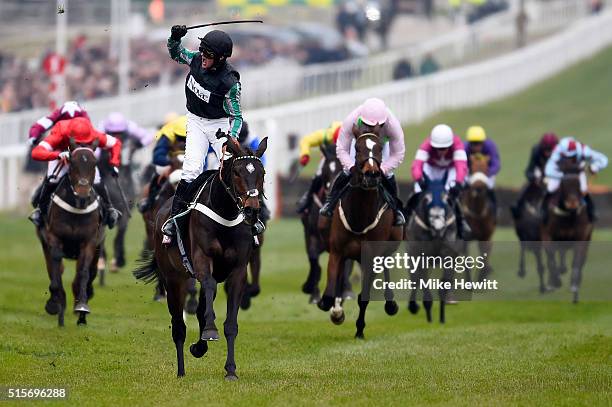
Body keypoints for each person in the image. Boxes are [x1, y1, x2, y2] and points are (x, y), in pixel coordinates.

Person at [162, 24, 249, 242]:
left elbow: (237, 117)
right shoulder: (196, 59)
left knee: (236, 167)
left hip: (218, 125)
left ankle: (254, 218)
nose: (202, 56)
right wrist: (174, 37)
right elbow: (176, 52)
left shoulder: (230, 83)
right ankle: (175, 220)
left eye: (208, 54)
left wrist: (232, 138)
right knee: (191, 170)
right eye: (202, 49)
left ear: (221, 58)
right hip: (196, 122)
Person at [319, 98, 406, 226]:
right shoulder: (352, 120)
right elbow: (342, 148)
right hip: (360, 141)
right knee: (346, 171)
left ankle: (396, 210)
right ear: (361, 119)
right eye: (368, 126)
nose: (372, 129)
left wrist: (384, 168)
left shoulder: (392, 124)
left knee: (388, 175)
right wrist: (351, 166)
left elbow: (398, 153)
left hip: (382, 144)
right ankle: (330, 203)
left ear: (383, 122)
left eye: (376, 126)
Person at [29, 117, 122, 228]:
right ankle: (40, 210)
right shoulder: (60, 132)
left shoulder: (94, 134)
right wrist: (57, 155)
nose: (81, 145)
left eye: (86, 143)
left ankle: (109, 209)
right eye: (78, 143)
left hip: (83, 160)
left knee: (97, 180)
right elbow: (36, 153)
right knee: (54, 178)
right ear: (70, 137)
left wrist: (114, 163)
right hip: (61, 156)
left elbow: (116, 143)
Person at [406, 124, 471, 238]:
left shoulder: (457, 145)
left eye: (444, 148)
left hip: (450, 169)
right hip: (431, 168)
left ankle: (461, 223)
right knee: (417, 189)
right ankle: (407, 217)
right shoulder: (426, 145)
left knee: (450, 194)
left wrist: (458, 182)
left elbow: (461, 167)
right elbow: (416, 165)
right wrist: (419, 178)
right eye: (438, 148)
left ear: (450, 144)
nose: (441, 151)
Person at [542, 137, 608, 223]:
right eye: (566, 156)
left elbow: (603, 159)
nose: (569, 159)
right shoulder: (557, 150)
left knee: (584, 189)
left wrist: (595, 167)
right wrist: (563, 176)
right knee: (551, 188)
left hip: (578, 172)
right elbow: (548, 170)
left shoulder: (585, 150)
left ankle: (591, 212)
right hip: (561, 172)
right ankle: (543, 211)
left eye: (572, 156)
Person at [138, 115, 188, 213]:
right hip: (171, 162)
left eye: (185, 138)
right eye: (180, 138)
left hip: (191, 163)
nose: (183, 142)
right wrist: (170, 162)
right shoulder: (167, 134)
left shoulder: (197, 132)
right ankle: (150, 201)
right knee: (159, 170)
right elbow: (157, 156)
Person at [295, 121, 342, 214]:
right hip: (329, 156)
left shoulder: (352, 135)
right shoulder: (326, 135)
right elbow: (306, 140)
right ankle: (307, 199)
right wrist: (305, 154)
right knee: (319, 174)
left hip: (346, 156)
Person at [510, 133, 558, 219]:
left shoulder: (560, 152)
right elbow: (529, 170)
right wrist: (534, 178)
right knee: (527, 185)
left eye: (549, 150)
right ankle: (518, 205)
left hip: (555, 174)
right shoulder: (536, 150)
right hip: (540, 172)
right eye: (545, 149)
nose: (547, 153)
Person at [464, 125, 500, 212]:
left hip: (487, 174)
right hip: (470, 173)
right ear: (469, 143)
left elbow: (496, 164)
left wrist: (487, 173)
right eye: (473, 143)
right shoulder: (464, 148)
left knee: (490, 188)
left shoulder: (490, 146)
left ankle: (494, 210)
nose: (476, 147)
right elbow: (461, 164)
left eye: (479, 143)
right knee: (463, 187)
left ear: (483, 142)